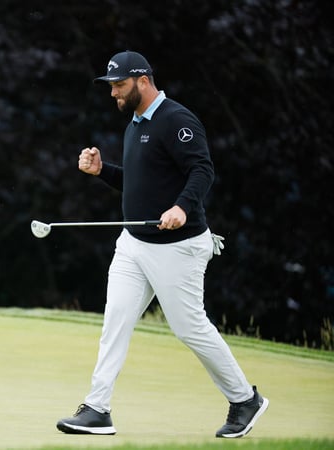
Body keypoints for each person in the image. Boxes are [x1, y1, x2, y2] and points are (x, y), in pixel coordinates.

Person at [55, 51, 268, 438]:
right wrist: (103, 171)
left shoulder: (176, 120)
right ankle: (97, 409)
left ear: (142, 80)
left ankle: (244, 399)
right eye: (111, 87)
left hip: (179, 246)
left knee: (189, 329)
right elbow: (140, 186)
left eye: (119, 86)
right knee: (115, 321)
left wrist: (182, 207)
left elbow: (202, 169)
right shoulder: (135, 123)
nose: (114, 94)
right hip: (134, 244)